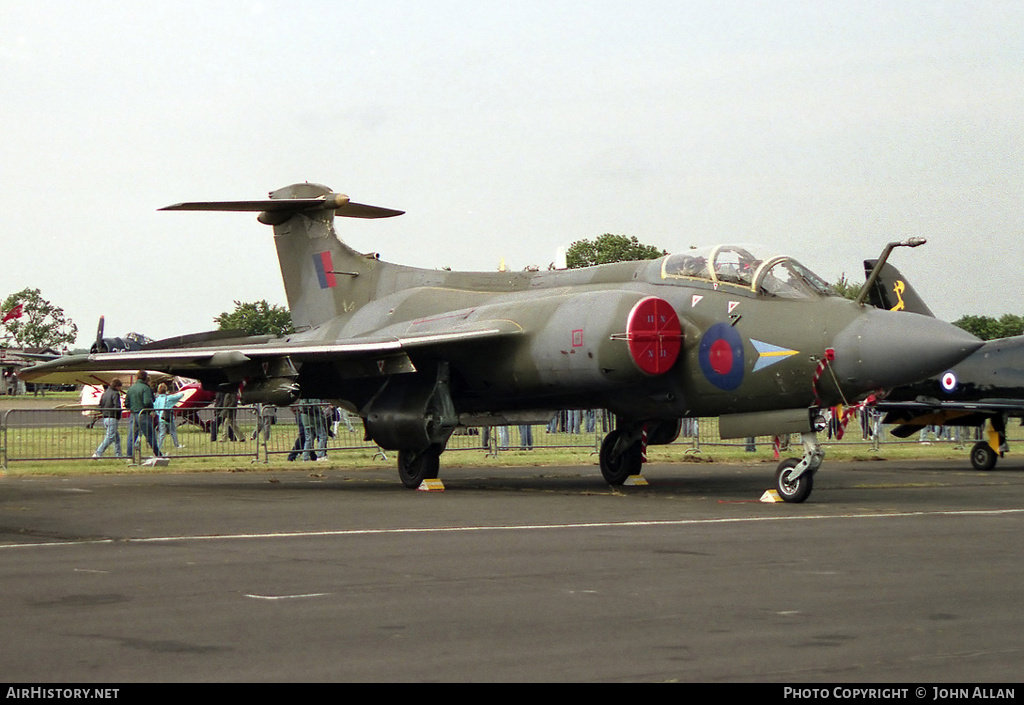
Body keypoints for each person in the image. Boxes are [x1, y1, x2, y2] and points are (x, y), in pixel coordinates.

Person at [125, 371, 160, 458]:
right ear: (145, 378)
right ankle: (158, 454)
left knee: (131, 436)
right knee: (150, 435)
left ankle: (129, 456)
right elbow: (147, 401)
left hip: (133, 414)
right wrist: (151, 409)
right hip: (143, 414)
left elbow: (126, 403)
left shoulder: (131, 388)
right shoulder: (146, 388)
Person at [92, 379, 123, 459]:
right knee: (110, 437)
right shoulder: (115, 393)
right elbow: (117, 405)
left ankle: (118, 455)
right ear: (117, 386)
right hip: (112, 417)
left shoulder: (105, 393)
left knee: (116, 438)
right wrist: (118, 414)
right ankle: (98, 453)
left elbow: (100, 405)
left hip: (105, 417)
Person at [154, 382, 185, 453]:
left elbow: (155, 407)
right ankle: (177, 445)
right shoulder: (169, 398)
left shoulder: (157, 399)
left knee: (161, 432)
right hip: (169, 417)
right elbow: (181, 395)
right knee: (173, 431)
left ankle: (159, 446)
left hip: (160, 418)